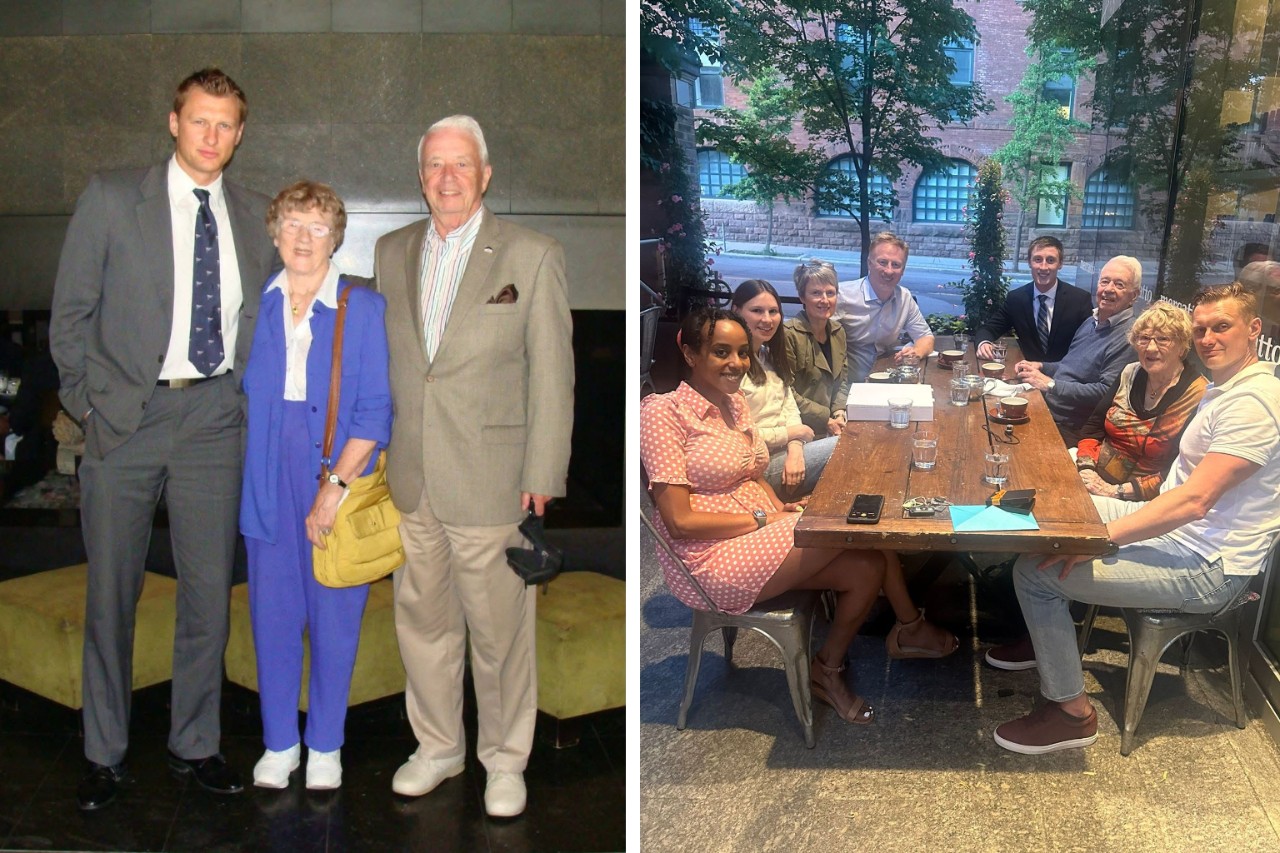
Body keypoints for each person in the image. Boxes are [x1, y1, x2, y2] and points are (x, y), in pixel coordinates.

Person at [50, 68, 280, 811]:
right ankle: (104, 752)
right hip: (126, 418)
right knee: (111, 592)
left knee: (208, 594)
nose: (212, 137)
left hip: (214, 418)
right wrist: (91, 410)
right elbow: (69, 318)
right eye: (200, 121)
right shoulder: (113, 197)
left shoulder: (252, 213)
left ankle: (196, 743)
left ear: (239, 134)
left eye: (226, 125)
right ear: (174, 122)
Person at [376, 115, 573, 818]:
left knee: (500, 633)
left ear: (485, 174)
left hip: (492, 479)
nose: (448, 178)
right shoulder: (390, 251)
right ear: (421, 175)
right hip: (414, 480)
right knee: (422, 626)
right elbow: (397, 370)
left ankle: (504, 759)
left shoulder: (532, 253)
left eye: (461, 165)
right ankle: (437, 747)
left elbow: (553, 374)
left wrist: (543, 472)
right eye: (435, 166)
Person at [989, 282, 1280, 755]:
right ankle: (1046, 639)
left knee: (1035, 574)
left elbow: (1194, 501)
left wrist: (1102, 537)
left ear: (1254, 330)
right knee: (1046, 512)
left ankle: (1070, 713)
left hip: (1209, 566)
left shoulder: (1253, 403)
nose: (1208, 338)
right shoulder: (1229, 388)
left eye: (1220, 327)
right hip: (1175, 532)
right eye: (1202, 328)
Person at [641, 307, 887, 725]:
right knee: (848, 523)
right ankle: (909, 626)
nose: (736, 363)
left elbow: (755, 477)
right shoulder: (662, 412)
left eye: (741, 353)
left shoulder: (735, 405)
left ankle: (826, 670)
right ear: (689, 353)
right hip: (706, 559)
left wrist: (781, 509)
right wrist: (765, 522)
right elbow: (679, 522)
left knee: (868, 565)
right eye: (721, 352)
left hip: (755, 534)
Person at [238, 182, 392, 790]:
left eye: (317, 226)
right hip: (265, 478)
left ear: (337, 237)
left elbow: (375, 412)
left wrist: (333, 487)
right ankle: (279, 742)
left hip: (337, 473)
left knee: (334, 616)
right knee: (272, 618)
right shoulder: (257, 306)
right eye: (292, 225)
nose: (304, 238)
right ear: (275, 234)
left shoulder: (363, 307)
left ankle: (325, 742)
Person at [1071, 302, 1208, 501]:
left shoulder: (1198, 394)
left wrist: (1114, 492)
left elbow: (1179, 471)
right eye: (1144, 338)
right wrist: (1086, 469)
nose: (1151, 348)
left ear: (1182, 346)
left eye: (1163, 339)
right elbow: (1093, 428)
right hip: (1094, 474)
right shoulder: (1130, 372)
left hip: (1144, 498)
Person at [1014, 255, 1142, 444]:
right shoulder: (1091, 322)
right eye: (1105, 281)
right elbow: (1070, 368)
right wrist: (1040, 366)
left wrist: (1050, 384)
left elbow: (1105, 393)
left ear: (1135, 295)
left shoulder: (1130, 336)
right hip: (1048, 408)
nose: (1108, 289)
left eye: (1119, 285)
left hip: (1071, 428)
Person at [731, 280, 833, 500]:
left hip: (787, 455)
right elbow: (735, 437)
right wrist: (790, 434)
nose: (767, 319)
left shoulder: (768, 356)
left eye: (773, 311)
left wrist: (795, 448)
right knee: (847, 447)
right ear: (736, 311)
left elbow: (789, 407)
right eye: (757, 311)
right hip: (756, 467)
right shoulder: (731, 368)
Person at [835, 232, 936, 383]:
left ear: (903, 270)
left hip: (887, 379)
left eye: (896, 265)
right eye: (883, 262)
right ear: (869, 263)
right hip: (848, 384)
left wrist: (915, 352)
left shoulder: (904, 297)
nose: (889, 271)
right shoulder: (842, 296)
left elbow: (925, 337)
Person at [975, 236, 1093, 363]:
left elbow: (1091, 344)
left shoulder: (1079, 300)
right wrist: (983, 343)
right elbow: (988, 329)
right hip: (1027, 375)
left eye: (1050, 260)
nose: (1043, 267)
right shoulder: (1017, 299)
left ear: (1060, 264)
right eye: (1038, 259)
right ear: (1029, 262)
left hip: (1066, 376)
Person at [784, 260, 849, 438]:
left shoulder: (838, 331)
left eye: (830, 293)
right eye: (816, 293)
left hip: (834, 423)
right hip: (800, 429)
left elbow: (843, 380)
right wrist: (826, 419)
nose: (824, 300)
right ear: (802, 297)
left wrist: (839, 412)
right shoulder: (788, 335)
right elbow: (786, 393)